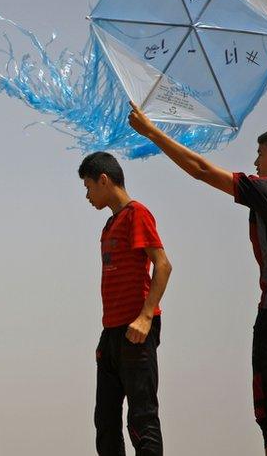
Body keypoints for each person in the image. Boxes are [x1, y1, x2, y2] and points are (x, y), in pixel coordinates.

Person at [127, 37, 267, 456]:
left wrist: (153, 132)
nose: (254, 162)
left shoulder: (266, 191)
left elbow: (202, 169)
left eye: (260, 154)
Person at [78, 151, 173, 455]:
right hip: (112, 332)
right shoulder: (109, 226)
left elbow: (163, 265)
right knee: (105, 419)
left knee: (141, 419)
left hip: (137, 329)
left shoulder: (136, 214)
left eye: (88, 186)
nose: (87, 195)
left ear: (103, 180)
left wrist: (145, 317)